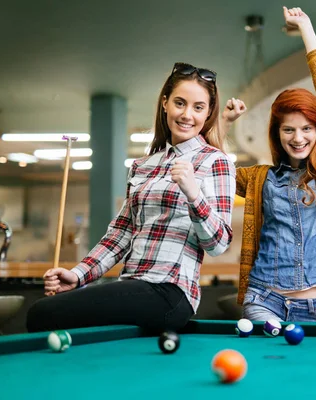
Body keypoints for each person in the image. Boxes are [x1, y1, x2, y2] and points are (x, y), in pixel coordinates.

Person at [26, 62, 236, 333]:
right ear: (165, 103)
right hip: (134, 286)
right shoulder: (142, 165)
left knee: (42, 313)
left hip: (170, 292)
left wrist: (194, 194)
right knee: (50, 313)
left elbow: (219, 244)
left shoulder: (216, 162)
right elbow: (119, 235)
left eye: (198, 107)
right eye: (180, 103)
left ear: (208, 113)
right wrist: (77, 275)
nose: (187, 115)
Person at [228, 7, 316, 323]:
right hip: (264, 301)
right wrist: (224, 122)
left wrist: (306, 29)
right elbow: (214, 169)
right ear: (277, 134)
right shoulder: (260, 179)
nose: (298, 137)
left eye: (306, 128)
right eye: (288, 129)